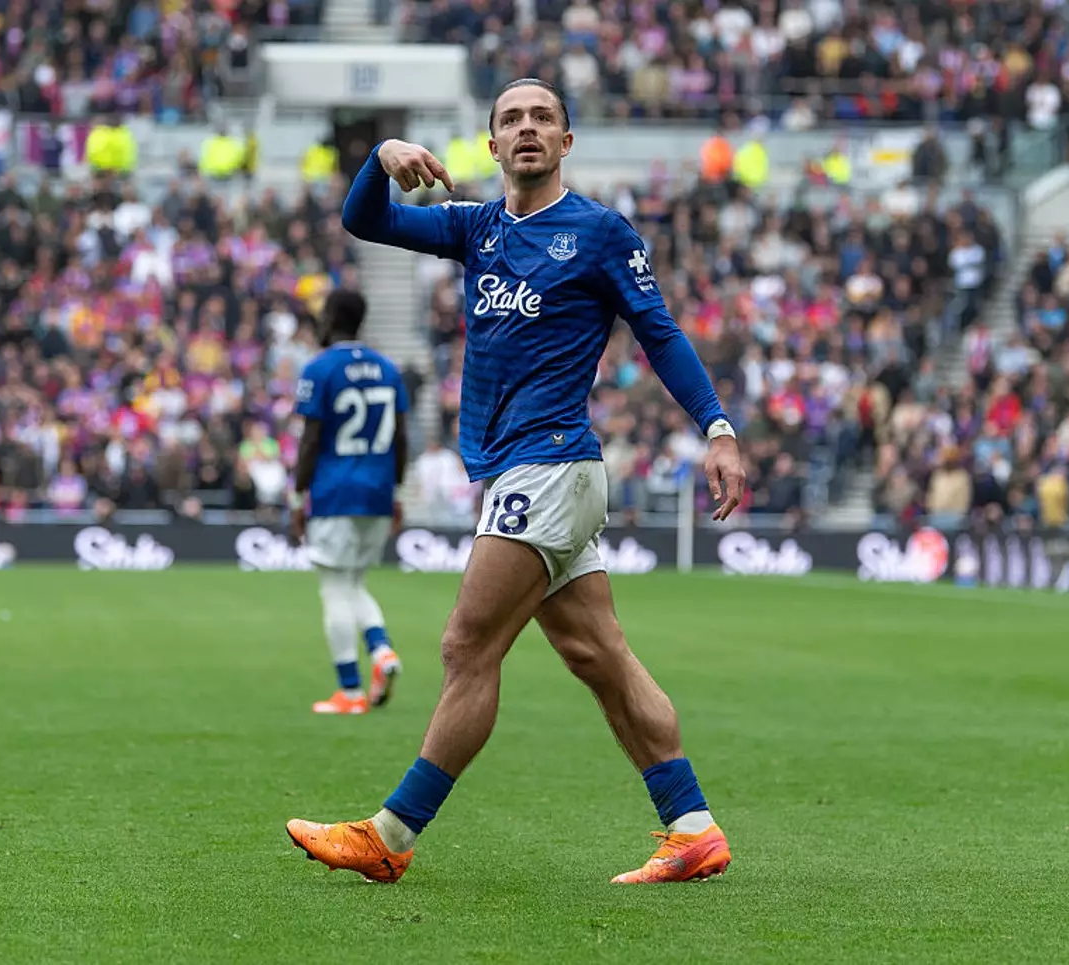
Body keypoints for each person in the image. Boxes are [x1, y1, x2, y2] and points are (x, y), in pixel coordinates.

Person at [285, 78, 745, 885]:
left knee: (468, 645)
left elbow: (660, 333)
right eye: (511, 119)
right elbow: (366, 219)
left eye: (543, 117)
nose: (527, 127)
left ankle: (390, 833)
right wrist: (381, 155)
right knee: (599, 654)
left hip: (551, 464)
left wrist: (717, 427)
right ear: (492, 144)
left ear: (565, 142)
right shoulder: (477, 227)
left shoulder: (599, 232)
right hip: (524, 469)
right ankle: (693, 826)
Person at [291, 289, 408, 715]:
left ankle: (351, 691)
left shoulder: (320, 368)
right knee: (354, 584)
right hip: (377, 491)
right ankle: (382, 651)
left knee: (334, 589)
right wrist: (396, 492)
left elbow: (310, 440)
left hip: (335, 491)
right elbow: (401, 438)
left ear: (330, 318)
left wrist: (297, 497)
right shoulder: (387, 369)